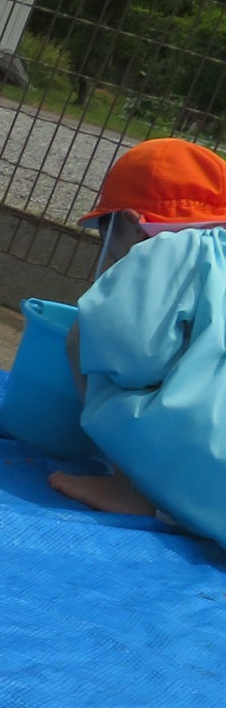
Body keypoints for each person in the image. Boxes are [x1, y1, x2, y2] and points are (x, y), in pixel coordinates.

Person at [48, 136, 226, 547]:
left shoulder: (167, 251)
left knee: (85, 338)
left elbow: (129, 349)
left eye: (112, 253)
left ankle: (132, 490)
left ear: (131, 221)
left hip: (208, 484)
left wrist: (101, 318)